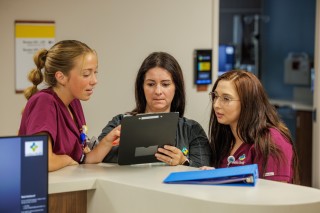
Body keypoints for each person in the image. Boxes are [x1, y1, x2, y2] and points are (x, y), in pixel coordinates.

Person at [19, 40, 121, 172]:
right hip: (42, 189)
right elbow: (39, 160)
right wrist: (66, 159)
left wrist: (108, 140)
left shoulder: (74, 102)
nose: (94, 81)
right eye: (86, 74)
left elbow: (83, 159)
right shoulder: (44, 103)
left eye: (95, 72)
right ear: (61, 77)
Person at [98, 52, 212, 167]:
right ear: (141, 87)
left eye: (165, 84)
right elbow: (96, 156)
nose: (158, 91)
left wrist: (183, 162)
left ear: (176, 88)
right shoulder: (120, 123)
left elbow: (202, 172)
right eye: (151, 84)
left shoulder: (192, 130)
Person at [203, 70, 299, 183]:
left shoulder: (271, 140)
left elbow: (275, 194)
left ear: (248, 103)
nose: (216, 105)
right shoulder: (226, 138)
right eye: (215, 96)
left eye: (226, 99)